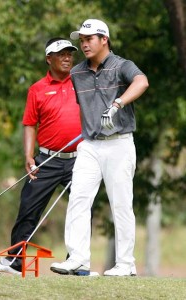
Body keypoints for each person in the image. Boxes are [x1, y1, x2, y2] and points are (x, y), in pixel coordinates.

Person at [50, 19, 149, 277]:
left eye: (89, 38)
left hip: (119, 144)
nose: (83, 44)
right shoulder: (77, 73)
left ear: (104, 39)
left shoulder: (122, 65)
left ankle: (126, 264)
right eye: (81, 39)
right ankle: (78, 259)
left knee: (121, 204)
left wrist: (117, 103)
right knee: (78, 199)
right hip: (90, 145)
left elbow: (142, 82)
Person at [0, 37, 81, 275]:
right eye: (61, 54)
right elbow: (29, 124)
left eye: (70, 53)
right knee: (28, 208)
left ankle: (78, 263)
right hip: (46, 160)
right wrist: (28, 156)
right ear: (49, 59)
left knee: (81, 209)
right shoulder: (37, 89)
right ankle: (15, 263)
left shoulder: (82, 81)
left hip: (80, 159)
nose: (67, 57)